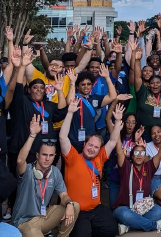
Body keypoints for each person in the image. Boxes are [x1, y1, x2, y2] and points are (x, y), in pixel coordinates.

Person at [59, 98, 121, 237]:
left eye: (96, 147)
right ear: (85, 144)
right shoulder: (73, 157)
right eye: (90, 145)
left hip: (96, 208)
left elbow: (112, 141)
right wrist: (69, 113)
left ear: (100, 150)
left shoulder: (100, 157)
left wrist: (117, 121)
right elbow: (63, 137)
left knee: (111, 230)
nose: (92, 149)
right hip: (78, 211)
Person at [12, 115, 80, 237]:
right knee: (32, 231)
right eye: (44, 155)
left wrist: (69, 204)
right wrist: (32, 135)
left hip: (43, 218)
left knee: (75, 206)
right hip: (24, 223)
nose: (47, 158)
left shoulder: (54, 171)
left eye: (51, 155)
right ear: (37, 155)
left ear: (55, 157)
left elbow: (64, 195)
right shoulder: (27, 170)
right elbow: (20, 161)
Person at [111, 126, 161, 235]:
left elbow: (160, 153)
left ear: (146, 155)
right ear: (131, 156)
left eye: (142, 152)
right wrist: (117, 129)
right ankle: (156, 225)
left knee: (158, 211)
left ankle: (128, 227)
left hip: (142, 208)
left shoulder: (149, 167)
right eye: (136, 153)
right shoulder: (126, 166)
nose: (139, 155)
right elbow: (118, 149)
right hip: (124, 208)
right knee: (124, 215)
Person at [132, 45, 161, 142]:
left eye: (158, 83)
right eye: (152, 83)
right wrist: (137, 60)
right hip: (144, 133)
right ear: (149, 85)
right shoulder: (143, 92)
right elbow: (137, 78)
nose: (155, 85)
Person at [65, 67, 117, 152]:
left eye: (89, 84)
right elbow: (69, 102)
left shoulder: (95, 97)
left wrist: (107, 77)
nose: (86, 87)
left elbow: (113, 96)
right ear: (78, 86)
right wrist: (72, 82)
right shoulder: (75, 98)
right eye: (83, 84)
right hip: (74, 140)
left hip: (90, 141)